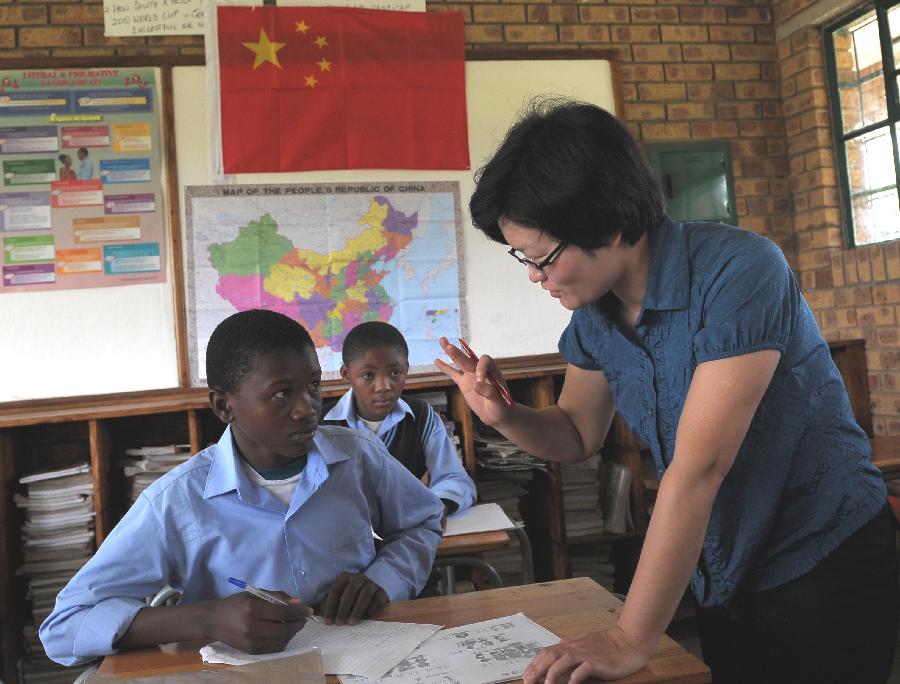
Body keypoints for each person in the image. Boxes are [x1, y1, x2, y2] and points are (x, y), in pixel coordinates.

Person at [435, 99, 897, 684]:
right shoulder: (594, 319)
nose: (534, 275)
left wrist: (631, 636)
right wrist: (505, 416)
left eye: (542, 257)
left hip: (822, 555)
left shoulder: (740, 272)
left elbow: (698, 469)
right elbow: (577, 433)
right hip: (724, 566)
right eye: (522, 258)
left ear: (609, 224)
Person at [41, 309, 443, 667]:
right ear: (223, 406)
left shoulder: (357, 456)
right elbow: (63, 627)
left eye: (314, 386)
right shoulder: (177, 501)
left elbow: (422, 522)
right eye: (282, 393)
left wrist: (383, 579)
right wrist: (207, 618)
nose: (307, 408)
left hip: (364, 662)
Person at [324, 321, 476, 529]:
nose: (383, 386)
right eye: (368, 375)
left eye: (395, 373)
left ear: (406, 369)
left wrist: (438, 506)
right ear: (346, 375)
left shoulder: (423, 418)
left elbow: (454, 478)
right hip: (342, 535)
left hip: (405, 531)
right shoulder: (322, 424)